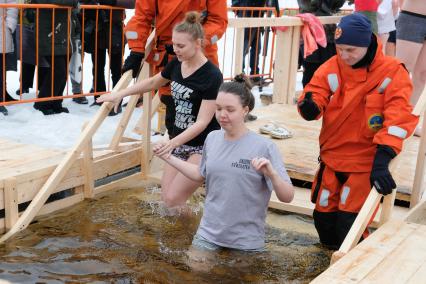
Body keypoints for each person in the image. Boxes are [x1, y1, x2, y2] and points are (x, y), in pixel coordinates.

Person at [297, 13, 418, 249]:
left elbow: (399, 117)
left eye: (350, 50)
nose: (344, 55)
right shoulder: (334, 65)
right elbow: (315, 90)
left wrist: (383, 159)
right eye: (339, 48)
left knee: (349, 226)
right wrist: (310, 106)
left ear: (367, 43)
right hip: (332, 160)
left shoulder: (393, 72)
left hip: (365, 164)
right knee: (323, 221)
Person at [154, 75, 294, 254]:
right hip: (208, 234)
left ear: (245, 110)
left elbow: (287, 197)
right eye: (218, 108)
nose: (222, 115)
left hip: (245, 241)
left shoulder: (264, 147)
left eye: (230, 109)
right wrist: (168, 157)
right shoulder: (212, 139)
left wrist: (272, 175)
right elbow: (200, 174)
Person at [97, 12, 223, 208]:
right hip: (177, 139)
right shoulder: (176, 63)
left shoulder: (212, 75)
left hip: (201, 145)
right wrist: (119, 94)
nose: (175, 50)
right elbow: (154, 82)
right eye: (174, 45)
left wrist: (171, 143)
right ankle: (185, 233)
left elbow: (202, 122)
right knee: (167, 200)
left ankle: (199, 235)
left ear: (198, 43)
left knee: (174, 199)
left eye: (181, 46)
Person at [121, 0, 227, 136]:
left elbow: (218, 21)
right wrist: (136, 50)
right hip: (169, 58)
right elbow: (142, 17)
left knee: (207, 123)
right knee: (173, 116)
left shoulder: (210, 72)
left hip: (201, 57)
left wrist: (193, 42)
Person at [80, 0, 135, 113]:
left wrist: (111, 1)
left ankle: (117, 99)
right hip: (97, 30)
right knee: (97, 67)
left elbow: (132, 3)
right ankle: (99, 98)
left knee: (116, 69)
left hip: (115, 30)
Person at [32, 0, 78, 115]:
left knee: (62, 72)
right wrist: (73, 2)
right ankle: (42, 103)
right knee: (59, 71)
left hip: (64, 34)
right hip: (50, 34)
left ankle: (56, 103)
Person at [297, 0, 346, 87]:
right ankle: (309, 97)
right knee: (312, 71)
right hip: (312, 31)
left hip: (325, 31)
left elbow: (337, 4)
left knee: (329, 70)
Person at [395, 0, 425, 136]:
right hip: (413, 15)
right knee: (402, 71)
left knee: (422, 75)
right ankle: (393, 118)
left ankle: (406, 121)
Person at [0, 0, 18, 116]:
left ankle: (1, 99)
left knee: (1, 68)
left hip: (2, 29)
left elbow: (12, 4)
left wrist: (9, 25)